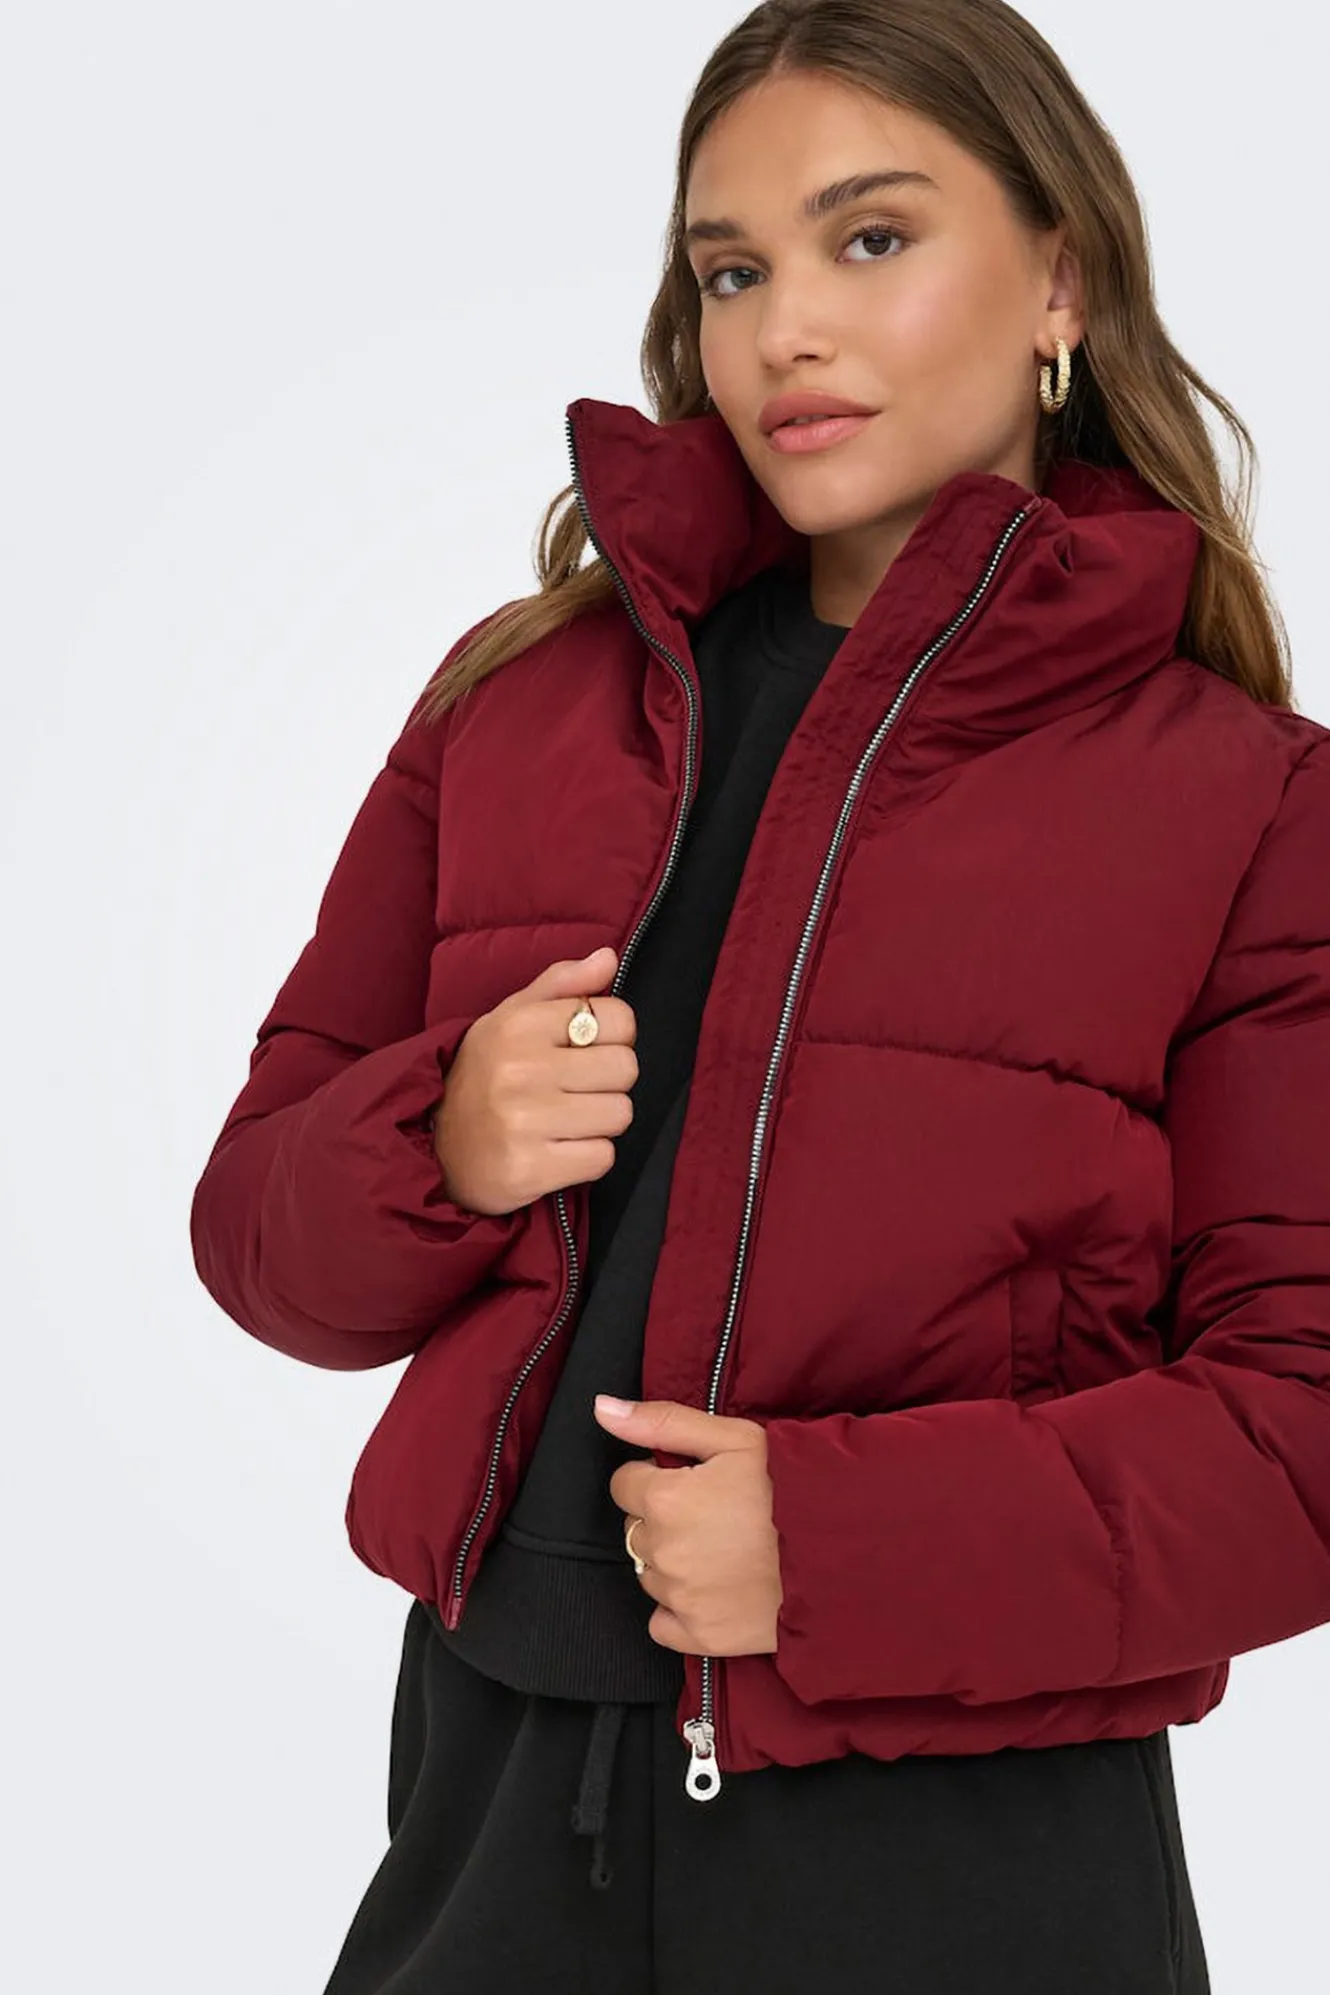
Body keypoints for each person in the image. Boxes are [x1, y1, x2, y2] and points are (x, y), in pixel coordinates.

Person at [188, 2, 1330, 1989]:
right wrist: (438, 1140)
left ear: (1058, 281)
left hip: (961, 1847)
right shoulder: (516, 701)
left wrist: (835, 1542)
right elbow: (259, 1247)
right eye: (730, 270)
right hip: (491, 1798)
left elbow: (1299, 1438)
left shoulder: (1244, 801)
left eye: (869, 238)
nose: (786, 325)